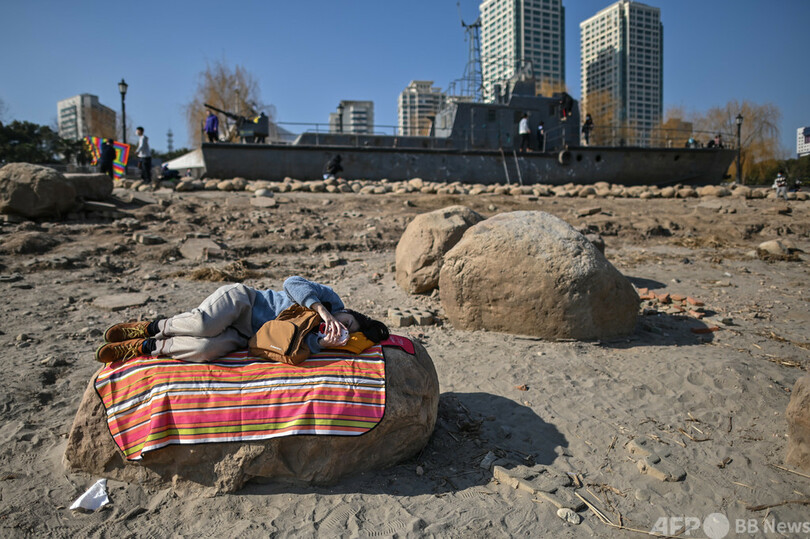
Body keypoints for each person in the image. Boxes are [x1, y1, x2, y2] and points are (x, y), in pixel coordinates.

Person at [95, 276, 390, 364]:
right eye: (347, 323)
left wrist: (321, 342)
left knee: (203, 351)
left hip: (245, 336)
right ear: (347, 313)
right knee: (202, 326)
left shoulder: (324, 339)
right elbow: (292, 282)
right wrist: (323, 311)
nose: (340, 327)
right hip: (242, 303)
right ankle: (151, 327)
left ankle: (144, 347)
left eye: (345, 334)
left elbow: (290, 349)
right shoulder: (331, 301)